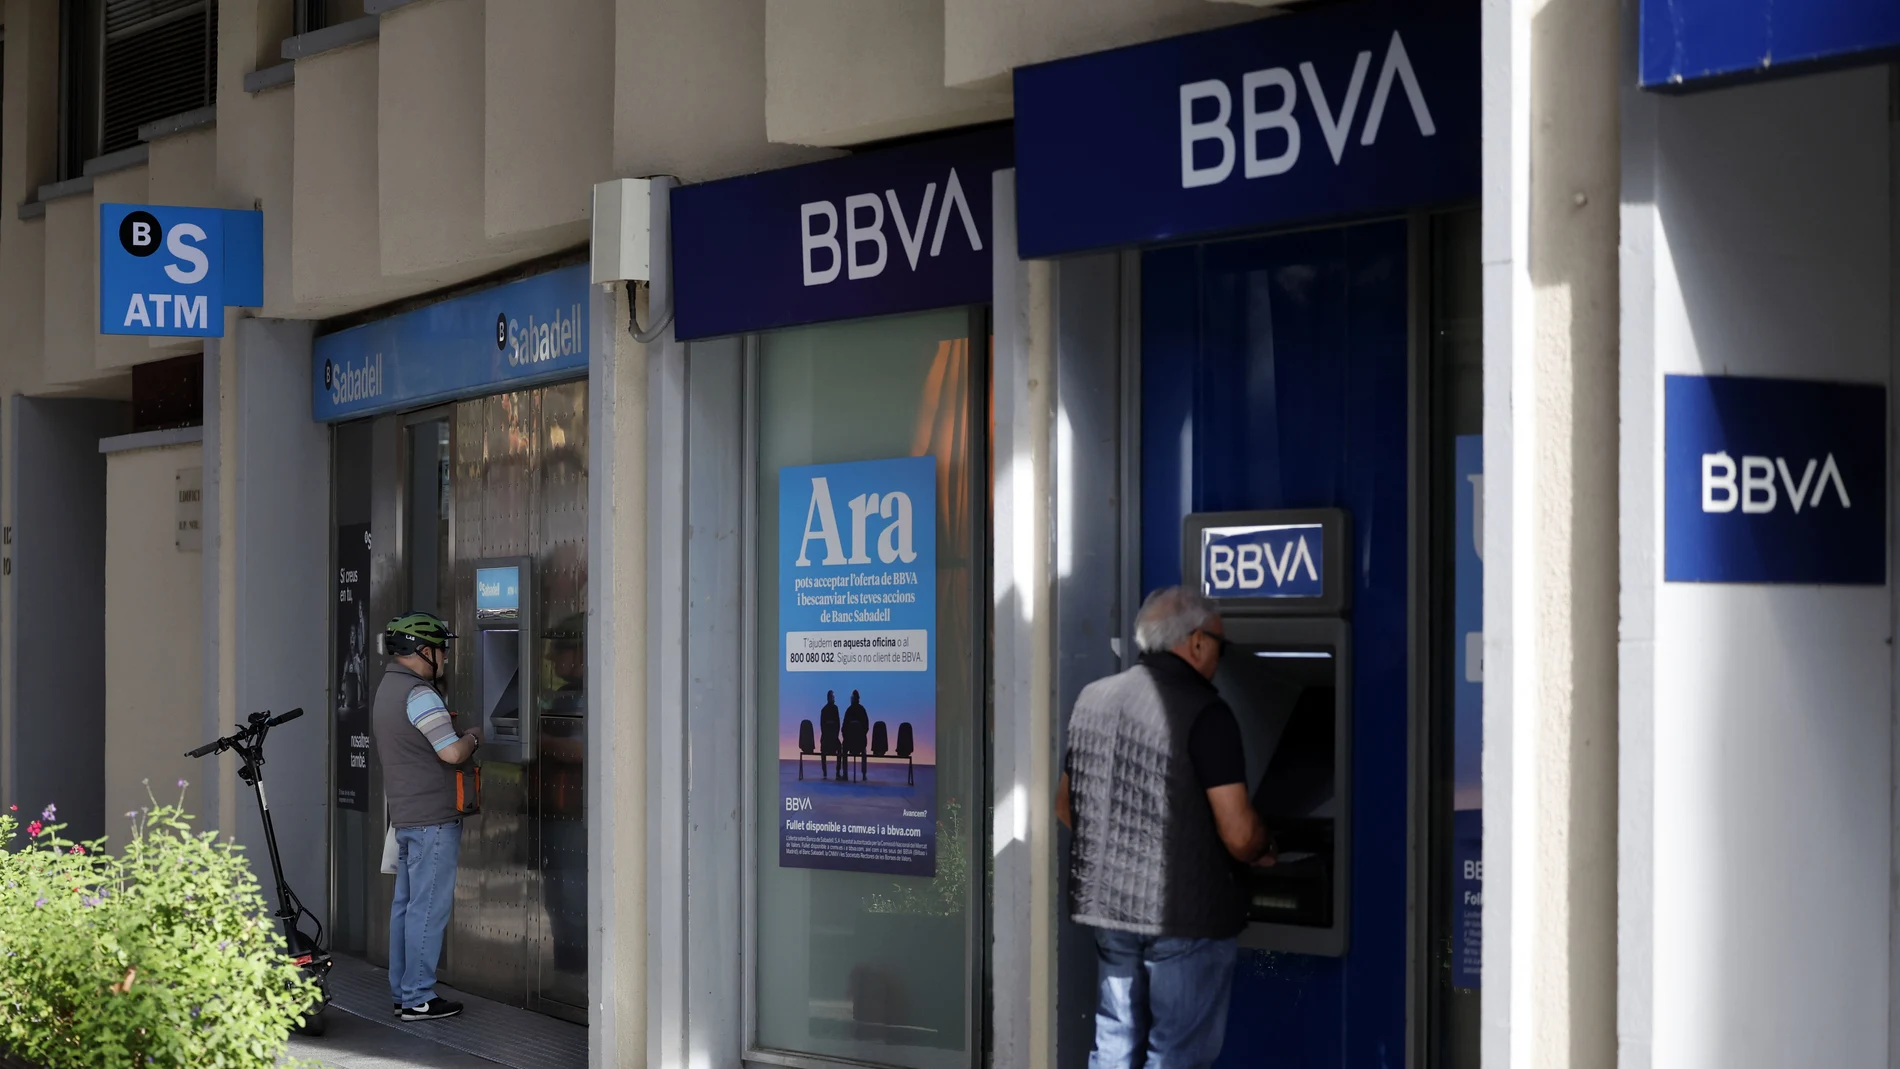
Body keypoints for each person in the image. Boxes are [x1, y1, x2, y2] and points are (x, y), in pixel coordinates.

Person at [1056, 586, 1275, 1069]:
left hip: (1111, 908)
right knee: (1176, 1054)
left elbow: (1066, 806)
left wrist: (1121, 852)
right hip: (1185, 915)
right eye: (1221, 644)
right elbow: (1239, 834)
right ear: (1196, 641)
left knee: (1113, 1045)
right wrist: (1265, 847)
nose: (1221, 656)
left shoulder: (1093, 699)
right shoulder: (1205, 711)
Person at [373, 611, 481, 1022]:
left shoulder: (387, 689)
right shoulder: (419, 695)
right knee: (427, 907)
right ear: (423, 651)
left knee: (406, 906)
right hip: (433, 818)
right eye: (442, 650)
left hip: (405, 815)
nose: (446, 659)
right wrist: (474, 736)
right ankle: (419, 996)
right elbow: (451, 753)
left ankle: (404, 993)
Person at [842, 689, 871, 781]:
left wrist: (847, 738)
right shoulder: (862, 710)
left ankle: (845, 774)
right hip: (860, 743)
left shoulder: (849, 710)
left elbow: (843, 728)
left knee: (844, 750)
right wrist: (861, 737)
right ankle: (863, 775)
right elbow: (866, 727)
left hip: (849, 744)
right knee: (863, 751)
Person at [820, 691, 842, 779]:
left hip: (828, 738)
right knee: (839, 747)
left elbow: (823, 726)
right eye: (832, 697)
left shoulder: (825, 709)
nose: (833, 698)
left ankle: (828, 772)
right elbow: (837, 725)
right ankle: (835, 772)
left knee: (838, 747)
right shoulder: (828, 709)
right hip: (829, 738)